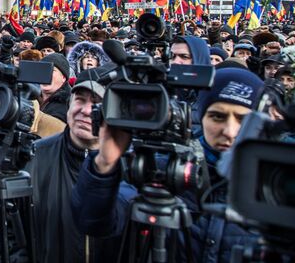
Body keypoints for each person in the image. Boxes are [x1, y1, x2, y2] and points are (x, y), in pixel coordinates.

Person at [72, 68, 263, 263]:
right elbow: (94, 221)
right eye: (217, 117)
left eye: (243, 119)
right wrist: (104, 163)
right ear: (200, 117)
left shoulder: (273, 185)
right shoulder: (161, 167)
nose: (230, 131)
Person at [19, 77, 120, 263]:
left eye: (97, 103)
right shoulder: (33, 156)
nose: (86, 110)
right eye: (80, 100)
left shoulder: (129, 168)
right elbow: (4, 231)